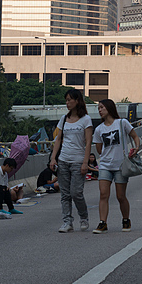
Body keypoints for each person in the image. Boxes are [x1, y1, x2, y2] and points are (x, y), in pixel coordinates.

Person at [91, 99, 140, 233]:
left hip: (120, 165)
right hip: (105, 165)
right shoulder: (99, 129)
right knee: (103, 194)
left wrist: (136, 148)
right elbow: (99, 150)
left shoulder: (122, 123)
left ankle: (126, 219)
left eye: (102, 107)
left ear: (109, 108)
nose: (100, 110)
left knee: (120, 196)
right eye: (98, 108)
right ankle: (102, 222)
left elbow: (135, 136)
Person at [49, 88, 93, 232]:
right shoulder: (64, 119)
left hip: (78, 161)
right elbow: (58, 140)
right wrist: (53, 158)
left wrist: (85, 162)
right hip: (63, 160)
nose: (67, 103)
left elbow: (88, 142)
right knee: (65, 194)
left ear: (77, 100)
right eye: (66, 100)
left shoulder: (86, 119)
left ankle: (84, 217)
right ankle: (67, 222)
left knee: (76, 193)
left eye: (69, 100)